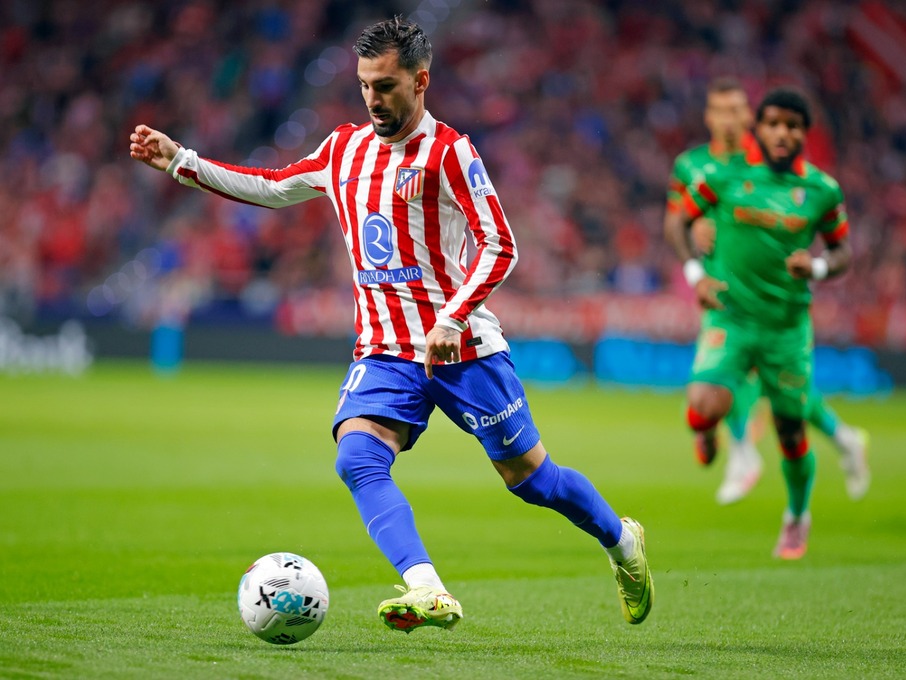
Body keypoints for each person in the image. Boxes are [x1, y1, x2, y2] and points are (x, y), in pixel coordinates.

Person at [129, 17, 652, 631]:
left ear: (421, 81)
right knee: (356, 458)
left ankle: (622, 541)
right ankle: (427, 588)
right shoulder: (343, 149)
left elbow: (500, 244)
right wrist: (179, 161)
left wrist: (453, 317)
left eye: (385, 86)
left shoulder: (451, 153)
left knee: (531, 479)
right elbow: (271, 187)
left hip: (462, 350)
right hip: (383, 351)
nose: (373, 99)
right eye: (364, 86)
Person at [664, 85, 852, 559]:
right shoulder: (727, 178)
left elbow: (843, 250)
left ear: (804, 134)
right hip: (731, 315)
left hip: (786, 328)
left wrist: (821, 267)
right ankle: (712, 435)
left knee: (791, 432)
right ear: (760, 128)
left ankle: (796, 516)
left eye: (793, 126)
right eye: (774, 124)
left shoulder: (822, 191)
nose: (783, 133)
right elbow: (677, 222)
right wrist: (696, 275)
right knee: (702, 402)